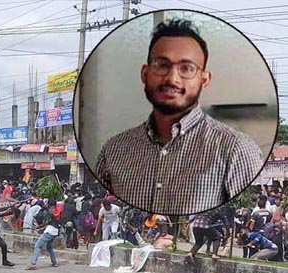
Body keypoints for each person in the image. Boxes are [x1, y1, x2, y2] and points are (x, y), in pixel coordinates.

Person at [95, 19, 263, 215]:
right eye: (161, 65)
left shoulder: (235, 149)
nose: (172, 79)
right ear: (145, 73)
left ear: (204, 79)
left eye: (187, 68)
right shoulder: (114, 150)